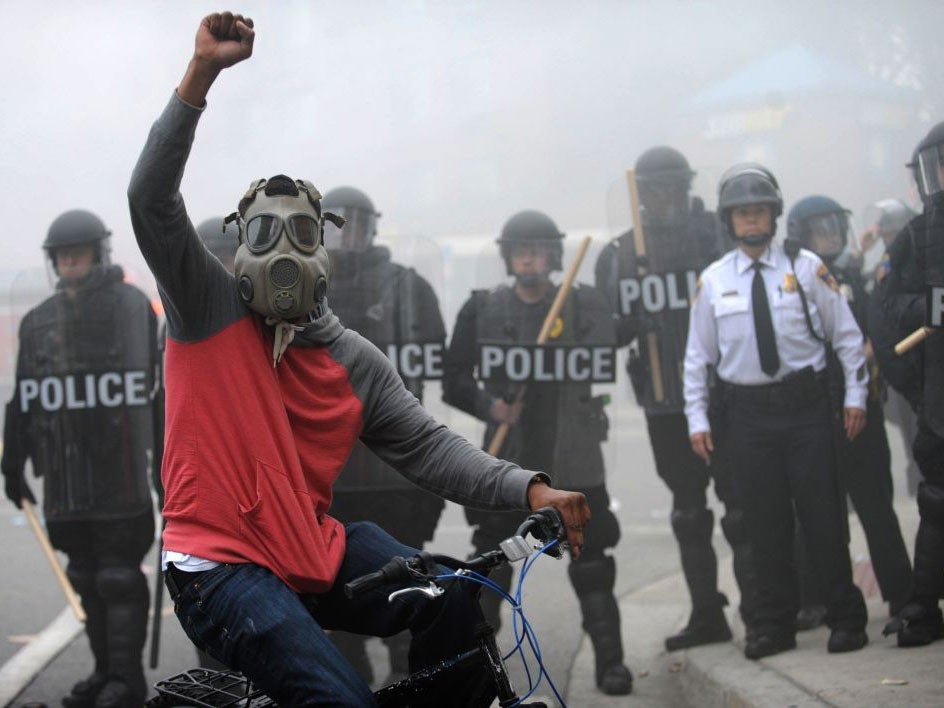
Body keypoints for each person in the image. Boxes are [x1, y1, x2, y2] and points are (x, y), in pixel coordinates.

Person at [126, 13, 590, 707]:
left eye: (304, 232)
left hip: (314, 546)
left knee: (455, 601)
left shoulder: (350, 358)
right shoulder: (206, 309)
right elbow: (150, 200)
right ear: (236, 249)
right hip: (218, 565)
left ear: (329, 250)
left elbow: (430, 448)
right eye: (263, 231)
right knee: (340, 698)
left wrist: (531, 488)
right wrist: (200, 76)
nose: (284, 248)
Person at [443, 210, 633, 695]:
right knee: (491, 563)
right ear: (508, 256)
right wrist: (493, 407)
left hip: (575, 453)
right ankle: (478, 673)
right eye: (520, 249)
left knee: (591, 560)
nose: (529, 257)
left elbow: (616, 340)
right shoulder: (482, 308)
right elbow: (454, 377)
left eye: (539, 249)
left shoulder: (584, 302)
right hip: (507, 464)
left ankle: (611, 663)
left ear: (554, 256)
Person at [683, 163, 869, 659]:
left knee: (823, 517)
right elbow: (696, 360)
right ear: (730, 220)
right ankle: (774, 625)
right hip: (747, 417)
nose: (751, 221)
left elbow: (847, 338)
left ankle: (845, 618)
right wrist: (698, 420)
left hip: (806, 408)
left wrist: (855, 396)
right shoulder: (714, 280)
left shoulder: (806, 267)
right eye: (742, 213)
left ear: (774, 214)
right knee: (762, 525)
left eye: (759, 211)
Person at [594, 146, 758, 651]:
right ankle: (708, 612)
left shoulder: (717, 236)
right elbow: (602, 331)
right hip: (664, 402)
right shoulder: (621, 255)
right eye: (656, 189)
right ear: (640, 196)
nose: (666, 197)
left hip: (724, 392)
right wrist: (629, 324)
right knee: (689, 510)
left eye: (674, 187)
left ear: (688, 187)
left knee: (741, 506)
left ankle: (762, 611)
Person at [1, 210, 159, 708]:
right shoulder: (39, 322)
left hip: (121, 475)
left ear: (99, 253)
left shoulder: (131, 308)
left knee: (118, 577)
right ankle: (103, 672)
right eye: (61, 255)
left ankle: (126, 681)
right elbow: (26, 396)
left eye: (78, 252)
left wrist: (163, 468)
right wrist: (14, 460)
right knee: (85, 578)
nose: (69, 261)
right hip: (67, 480)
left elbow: (156, 396)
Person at [320, 185, 447, 684]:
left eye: (359, 225)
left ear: (374, 228)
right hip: (329, 471)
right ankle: (351, 679)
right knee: (332, 587)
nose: (349, 237)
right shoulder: (303, 289)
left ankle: (408, 681)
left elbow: (432, 368)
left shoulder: (407, 286)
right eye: (339, 226)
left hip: (395, 469)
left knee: (405, 580)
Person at [786, 195, 912, 626]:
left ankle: (902, 596)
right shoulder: (792, 282)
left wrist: (874, 347)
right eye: (821, 229)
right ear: (801, 235)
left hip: (861, 408)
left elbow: (880, 322)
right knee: (818, 513)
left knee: (877, 506)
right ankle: (816, 598)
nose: (831, 236)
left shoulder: (856, 277)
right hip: (815, 414)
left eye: (835, 227)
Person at [871, 120, 944, 647]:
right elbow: (887, 313)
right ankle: (925, 606)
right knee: (937, 499)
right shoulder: (916, 238)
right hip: (940, 393)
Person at [861, 199, 922, 497]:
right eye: (887, 235)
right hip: (901, 364)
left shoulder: (925, 257)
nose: (892, 240)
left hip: (927, 359)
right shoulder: (885, 266)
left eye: (896, 233)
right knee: (915, 433)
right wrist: (860, 250)